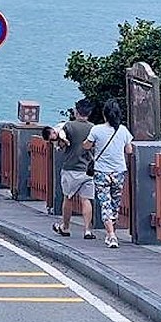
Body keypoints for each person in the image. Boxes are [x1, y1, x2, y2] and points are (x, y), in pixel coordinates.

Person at [85, 98, 136, 249]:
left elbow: (87, 145)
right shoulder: (123, 130)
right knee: (115, 202)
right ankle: (110, 232)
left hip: (101, 171)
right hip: (119, 171)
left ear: (104, 114)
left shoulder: (96, 130)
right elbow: (129, 150)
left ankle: (111, 235)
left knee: (105, 202)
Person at [51, 99, 96, 239]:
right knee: (86, 199)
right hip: (87, 168)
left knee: (68, 198)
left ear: (76, 111)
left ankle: (65, 227)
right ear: (89, 113)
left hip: (70, 167)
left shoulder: (69, 126)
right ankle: (88, 230)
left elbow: (61, 143)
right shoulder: (93, 128)